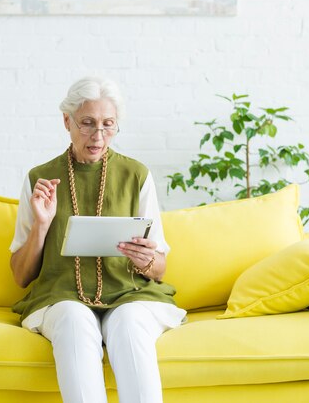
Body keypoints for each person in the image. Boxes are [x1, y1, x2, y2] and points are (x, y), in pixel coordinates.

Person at [10, 76, 186, 403]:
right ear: (67, 121)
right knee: (75, 322)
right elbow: (21, 276)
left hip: (130, 293)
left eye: (108, 125)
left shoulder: (136, 174)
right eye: (88, 124)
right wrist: (42, 224)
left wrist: (145, 259)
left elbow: (160, 269)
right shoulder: (40, 179)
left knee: (130, 323)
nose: (99, 136)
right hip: (63, 296)